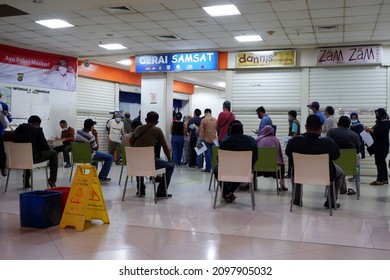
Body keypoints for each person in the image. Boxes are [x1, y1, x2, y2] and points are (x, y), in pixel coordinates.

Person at [285, 115, 345, 209]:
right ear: (321, 127)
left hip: (301, 173)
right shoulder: (328, 143)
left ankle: (296, 199)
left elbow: (288, 154)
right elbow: (336, 156)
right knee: (340, 172)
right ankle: (331, 201)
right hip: (325, 174)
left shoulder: (294, 141)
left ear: (305, 126)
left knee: (295, 169)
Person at [130, 111, 174, 197]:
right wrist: (169, 160)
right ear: (157, 122)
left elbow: (131, 141)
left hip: (135, 162)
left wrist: (136, 151)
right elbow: (165, 147)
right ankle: (161, 192)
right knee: (170, 166)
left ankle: (141, 190)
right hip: (150, 162)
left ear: (146, 119)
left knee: (140, 164)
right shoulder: (157, 130)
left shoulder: (138, 128)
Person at [213, 120, 258, 203]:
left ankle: (227, 192)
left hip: (227, 170)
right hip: (245, 171)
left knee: (216, 169)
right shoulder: (251, 140)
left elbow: (219, 159)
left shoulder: (225, 141)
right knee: (241, 172)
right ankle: (229, 193)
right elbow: (255, 158)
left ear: (230, 130)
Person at [13, 115, 58, 188]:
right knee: (53, 153)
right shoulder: (37, 130)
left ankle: (26, 181)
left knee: (27, 154)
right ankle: (52, 180)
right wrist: (48, 147)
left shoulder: (17, 130)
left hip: (18, 159)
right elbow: (45, 147)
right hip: (32, 158)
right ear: (37, 123)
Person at [327, 116, 360, 194]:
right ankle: (343, 188)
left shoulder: (331, 132)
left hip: (333, 164)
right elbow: (357, 151)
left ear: (338, 124)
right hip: (349, 165)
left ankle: (341, 188)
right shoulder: (355, 135)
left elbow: (327, 147)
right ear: (349, 125)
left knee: (338, 164)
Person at [256, 125, 287, 191]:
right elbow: (279, 156)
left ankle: (252, 184)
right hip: (273, 168)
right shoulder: (276, 140)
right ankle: (282, 185)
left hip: (258, 168)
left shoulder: (258, 139)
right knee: (282, 165)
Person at [364, 108, 390, 185]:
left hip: (382, 146)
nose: (376, 116)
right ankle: (384, 179)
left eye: (378, 114)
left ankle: (380, 180)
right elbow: (375, 131)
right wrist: (368, 130)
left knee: (379, 162)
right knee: (382, 162)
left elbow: (380, 133)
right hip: (379, 145)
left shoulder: (386, 123)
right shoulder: (380, 122)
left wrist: (371, 130)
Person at [198, 108, 217, 172]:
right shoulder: (215, 120)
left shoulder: (203, 120)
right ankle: (214, 168)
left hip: (206, 139)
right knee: (214, 154)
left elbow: (201, 131)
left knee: (207, 153)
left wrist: (199, 140)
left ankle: (207, 168)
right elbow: (217, 129)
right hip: (215, 139)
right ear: (210, 113)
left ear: (205, 113)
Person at [349, 112, 365, 182]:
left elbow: (360, 136)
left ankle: (357, 177)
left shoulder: (360, 126)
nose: (353, 119)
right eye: (352, 118)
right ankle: (354, 176)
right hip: (352, 146)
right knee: (353, 162)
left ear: (357, 118)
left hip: (358, 146)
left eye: (354, 118)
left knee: (357, 163)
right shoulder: (351, 126)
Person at [286, 110, 300, 178]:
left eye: (289, 115)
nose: (288, 117)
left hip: (294, 143)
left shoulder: (294, 123)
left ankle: (290, 174)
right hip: (296, 143)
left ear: (291, 115)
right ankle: (291, 173)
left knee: (291, 159)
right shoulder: (294, 122)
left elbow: (294, 133)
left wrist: (292, 142)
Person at [0, 94, 11, 176]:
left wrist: (6, 114)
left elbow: (10, 119)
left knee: (1, 151)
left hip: (0, 132)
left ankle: (3, 168)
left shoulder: (3, 105)